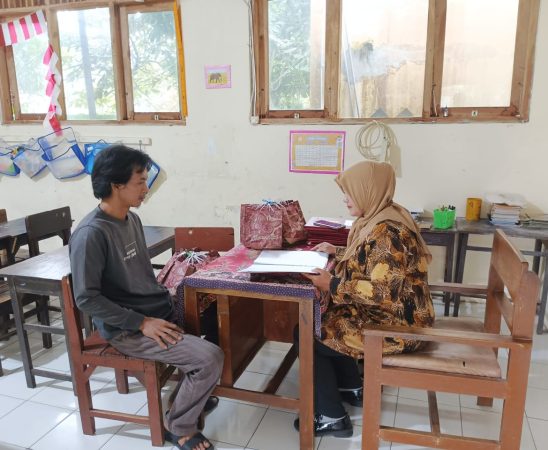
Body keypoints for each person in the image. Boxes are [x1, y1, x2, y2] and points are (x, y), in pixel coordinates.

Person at [69, 145, 223, 450]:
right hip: (129, 328)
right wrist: (141, 323)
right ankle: (179, 426)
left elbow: (138, 276)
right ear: (117, 185)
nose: (145, 188)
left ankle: (191, 394)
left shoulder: (131, 219)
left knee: (220, 315)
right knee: (209, 359)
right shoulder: (91, 234)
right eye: (140, 181)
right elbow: (86, 299)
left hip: (157, 309)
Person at [296, 160, 435, 437]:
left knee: (310, 332)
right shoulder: (381, 217)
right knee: (328, 317)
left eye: (350, 192)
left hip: (399, 328)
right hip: (400, 315)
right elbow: (371, 261)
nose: (346, 199)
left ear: (368, 191)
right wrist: (337, 251)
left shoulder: (388, 233)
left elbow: (382, 292)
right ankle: (352, 387)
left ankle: (332, 417)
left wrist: (331, 283)